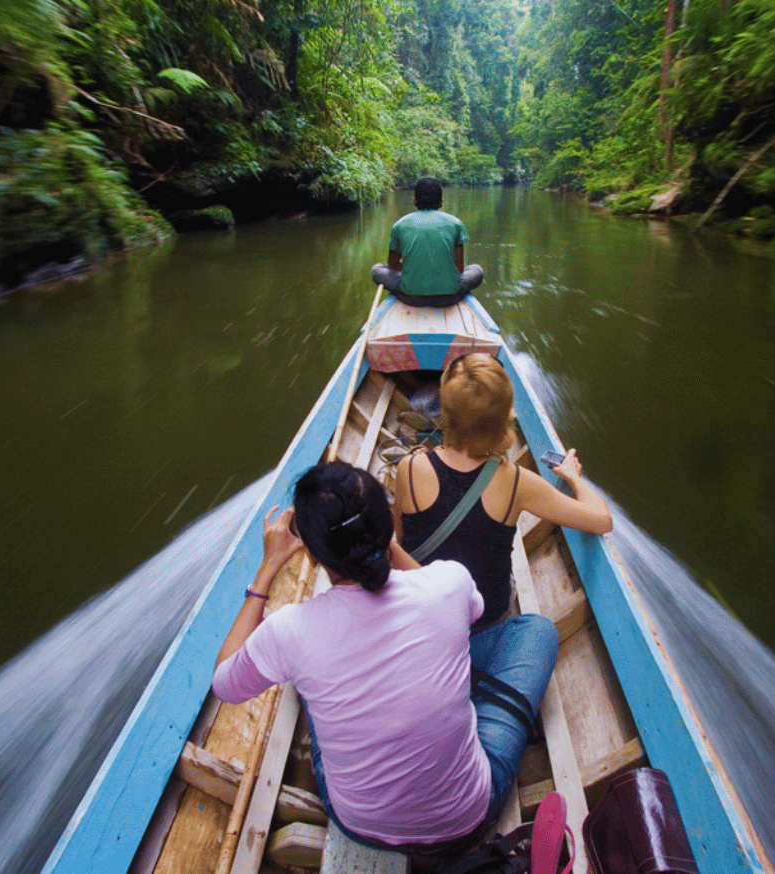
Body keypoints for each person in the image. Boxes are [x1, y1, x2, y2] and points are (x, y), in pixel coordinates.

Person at [211, 461, 557, 854]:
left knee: (307, 679)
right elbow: (473, 612)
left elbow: (225, 683)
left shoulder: (289, 630)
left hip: (359, 823)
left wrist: (267, 567)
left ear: (309, 552)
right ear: (387, 525)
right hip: (466, 817)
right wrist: (387, 544)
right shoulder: (448, 583)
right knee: (536, 631)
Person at [393, 354, 612, 629]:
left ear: (446, 412)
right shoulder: (516, 481)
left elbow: (402, 539)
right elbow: (602, 519)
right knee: (538, 629)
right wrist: (573, 477)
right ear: (504, 418)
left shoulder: (409, 467)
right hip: (485, 616)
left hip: (426, 610)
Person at [372, 177, 484, 307]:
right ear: (441, 201)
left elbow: (392, 266)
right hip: (448, 297)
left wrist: (411, 265)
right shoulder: (456, 223)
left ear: (414, 200)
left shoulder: (400, 225)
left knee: (377, 269)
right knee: (476, 270)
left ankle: (413, 286)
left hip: (410, 297)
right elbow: (459, 269)